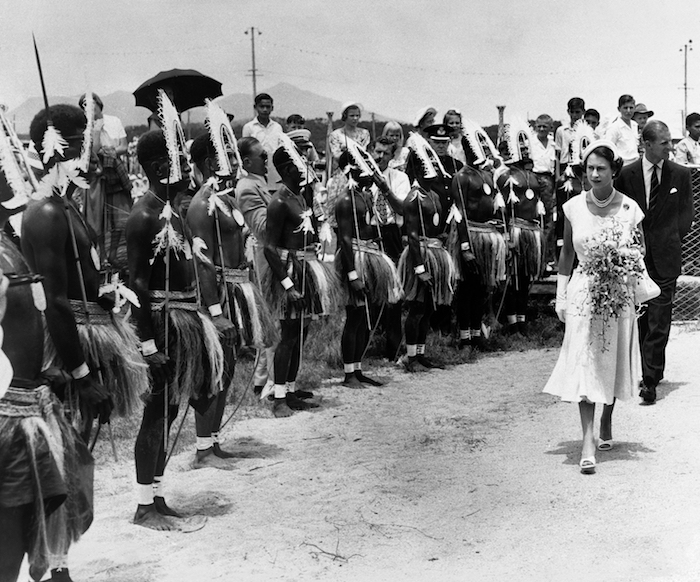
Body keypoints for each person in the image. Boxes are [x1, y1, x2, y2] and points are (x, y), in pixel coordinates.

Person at [0, 124, 104, 582]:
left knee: (22, 531)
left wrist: (45, 377)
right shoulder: (39, 219)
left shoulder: (9, 247)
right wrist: (79, 371)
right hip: (9, 414)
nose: (17, 178)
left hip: (27, 400)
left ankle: (57, 565)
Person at [127, 129, 224, 530]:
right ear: (158, 167)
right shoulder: (145, 215)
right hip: (163, 325)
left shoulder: (173, 213)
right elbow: (137, 286)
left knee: (168, 412)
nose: (185, 166)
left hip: (183, 319)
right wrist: (149, 346)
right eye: (177, 159)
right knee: (155, 412)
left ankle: (158, 495)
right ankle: (143, 505)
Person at [544, 140, 644, 474]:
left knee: (610, 359)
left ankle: (607, 419)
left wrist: (630, 279)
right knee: (584, 363)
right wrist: (560, 296)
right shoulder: (572, 207)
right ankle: (587, 439)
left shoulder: (630, 209)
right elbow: (566, 256)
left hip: (617, 293)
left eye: (601, 168)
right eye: (589, 168)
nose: (595, 174)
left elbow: (638, 254)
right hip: (583, 292)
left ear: (614, 171)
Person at [186, 132, 275, 467]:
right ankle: (203, 450)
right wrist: (216, 312)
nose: (236, 164)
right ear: (211, 163)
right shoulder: (201, 205)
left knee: (229, 367)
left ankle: (213, 441)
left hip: (237, 290)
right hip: (218, 297)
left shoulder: (224, 199)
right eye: (230, 157)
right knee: (213, 370)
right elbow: (203, 263)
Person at [615, 120, 694, 404]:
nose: (670, 147)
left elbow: (687, 214)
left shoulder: (681, 174)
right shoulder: (626, 175)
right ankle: (647, 369)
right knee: (641, 316)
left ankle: (649, 379)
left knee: (660, 318)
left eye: (671, 142)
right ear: (646, 144)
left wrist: (671, 237)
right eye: (664, 143)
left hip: (666, 256)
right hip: (634, 259)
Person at [261, 144, 340, 416]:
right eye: (299, 163)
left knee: (301, 332)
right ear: (285, 170)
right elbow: (269, 248)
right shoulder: (280, 201)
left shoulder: (301, 196)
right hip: (290, 272)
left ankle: (291, 389)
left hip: (306, 268)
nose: (305, 166)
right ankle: (279, 396)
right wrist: (288, 285)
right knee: (289, 333)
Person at [334, 151, 402, 387]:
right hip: (355, 257)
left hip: (370, 254)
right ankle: (348, 373)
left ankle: (358, 368)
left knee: (365, 316)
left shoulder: (366, 196)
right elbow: (343, 239)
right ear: (352, 171)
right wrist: (353, 274)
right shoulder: (346, 201)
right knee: (354, 316)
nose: (369, 172)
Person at [398, 135, 456, 372]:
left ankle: (420, 353)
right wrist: (420, 269)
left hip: (434, 251)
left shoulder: (432, 194)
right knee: (417, 306)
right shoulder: (414, 196)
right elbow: (411, 236)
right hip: (420, 255)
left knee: (429, 307)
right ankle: (411, 357)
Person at [451, 120, 507, 348]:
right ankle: (465, 336)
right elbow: (460, 213)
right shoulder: (462, 177)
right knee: (467, 287)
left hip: (487, 235)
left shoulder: (486, 175)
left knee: (482, 287)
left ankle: (476, 333)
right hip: (470, 236)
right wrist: (465, 247)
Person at [236, 137, 277, 397]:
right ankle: (274, 383)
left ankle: (262, 380)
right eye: (262, 156)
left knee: (270, 320)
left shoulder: (259, 183)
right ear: (248, 161)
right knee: (273, 320)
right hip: (263, 255)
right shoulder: (247, 187)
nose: (266, 160)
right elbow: (263, 229)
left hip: (268, 253)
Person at [496, 121, 545, 334]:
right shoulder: (506, 176)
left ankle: (522, 318)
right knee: (513, 277)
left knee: (525, 277)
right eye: (520, 147)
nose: (525, 151)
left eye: (527, 147)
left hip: (531, 231)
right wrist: (507, 234)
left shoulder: (533, 177)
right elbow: (502, 209)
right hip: (514, 231)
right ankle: (511, 320)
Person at [79, 93, 132, 272]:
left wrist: (110, 150)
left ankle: (113, 254)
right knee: (98, 219)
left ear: (99, 105)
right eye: (85, 106)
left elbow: (124, 146)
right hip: (98, 179)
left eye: (92, 104)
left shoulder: (114, 121)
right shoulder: (84, 127)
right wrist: (95, 131)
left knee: (120, 219)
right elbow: (91, 153)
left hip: (115, 174)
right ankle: (100, 258)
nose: (90, 108)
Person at [369, 137, 410, 359]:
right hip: (370, 232)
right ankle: (371, 341)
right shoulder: (363, 176)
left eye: (385, 153)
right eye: (377, 151)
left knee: (393, 289)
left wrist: (385, 190)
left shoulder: (400, 178)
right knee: (371, 287)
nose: (379, 157)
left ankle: (393, 346)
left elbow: (401, 208)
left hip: (391, 232)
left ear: (393, 155)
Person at [242, 93, 285, 191]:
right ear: (255, 107)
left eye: (268, 107)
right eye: (262, 106)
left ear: (272, 108)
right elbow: (245, 151)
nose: (265, 110)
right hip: (256, 169)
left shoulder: (277, 127)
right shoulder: (249, 127)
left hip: (274, 169)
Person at [328, 102, 370, 175]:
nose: (355, 118)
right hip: (342, 172)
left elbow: (365, 153)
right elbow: (336, 155)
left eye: (357, 115)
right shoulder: (336, 135)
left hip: (361, 171)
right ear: (345, 116)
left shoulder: (364, 134)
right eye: (352, 116)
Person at [555, 97, 585, 181]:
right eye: (572, 112)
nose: (574, 115)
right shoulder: (561, 131)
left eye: (577, 112)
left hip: (580, 166)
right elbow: (557, 155)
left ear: (583, 112)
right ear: (568, 111)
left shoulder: (586, 131)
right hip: (564, 166)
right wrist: (557, 176)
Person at [604, 94, 639, 166]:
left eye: (631, 108)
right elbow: (608, 149)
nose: (628, 111)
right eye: (625, 108)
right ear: (619, 109)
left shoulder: (635, 125)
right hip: (623, 166)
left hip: (636, 164)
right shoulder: (614, 128)